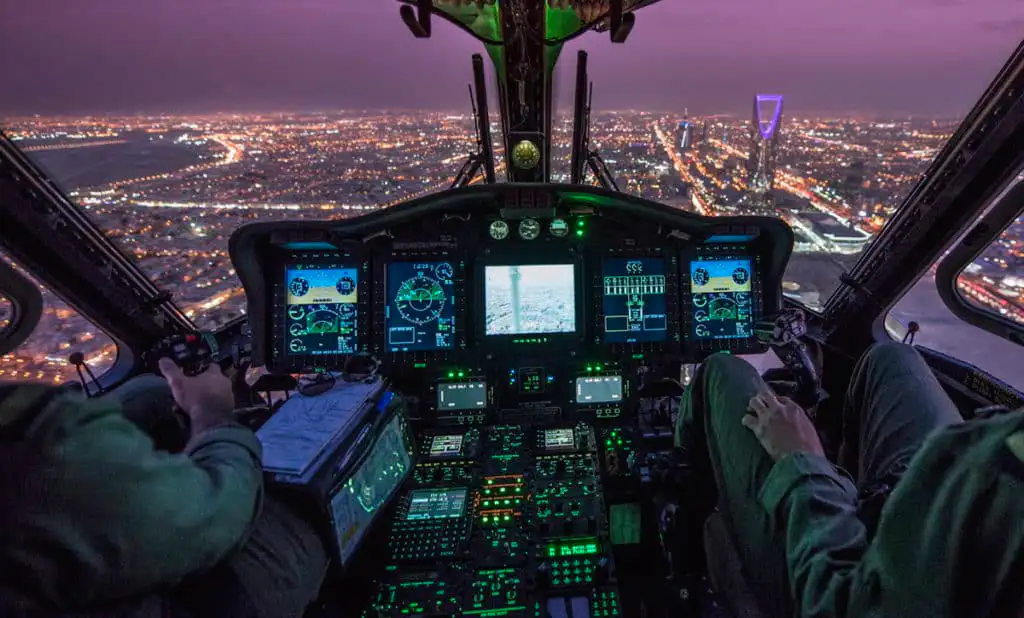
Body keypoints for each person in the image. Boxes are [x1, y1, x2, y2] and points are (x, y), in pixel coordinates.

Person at [677, 342, 1024, 618]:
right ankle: (844, 493)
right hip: (936, 499)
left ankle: (680, 551)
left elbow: (844, 606)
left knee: (723, 371)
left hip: (852, 579)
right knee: (890, 357)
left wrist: (803, 462)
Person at [0, 359, 328, 617]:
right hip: (162, 603)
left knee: (152, 392)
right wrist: (212, 416)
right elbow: (215, 516)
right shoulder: (26, 452)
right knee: (301, 514)